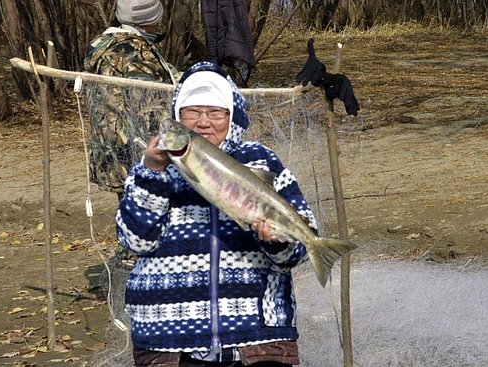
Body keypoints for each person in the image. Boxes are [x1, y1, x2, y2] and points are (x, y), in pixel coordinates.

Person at [115, 58, 358, 366]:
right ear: (179, 115)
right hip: (169, 341)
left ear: (232, 116)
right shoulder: (154, 169)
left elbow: (292, 255)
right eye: (192, 112)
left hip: (259, 337)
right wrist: (152, 172)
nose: (204, 122)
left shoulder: (261, 160)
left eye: (215, 112)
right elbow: (134, 241)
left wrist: (279, 242)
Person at [83, 0, 180, 199]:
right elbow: (151, 108)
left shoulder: (108, 45)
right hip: (138, 153)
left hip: (112, 150)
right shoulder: (136, 53)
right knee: (145, 213)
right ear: (153, 17)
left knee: (129, 209)